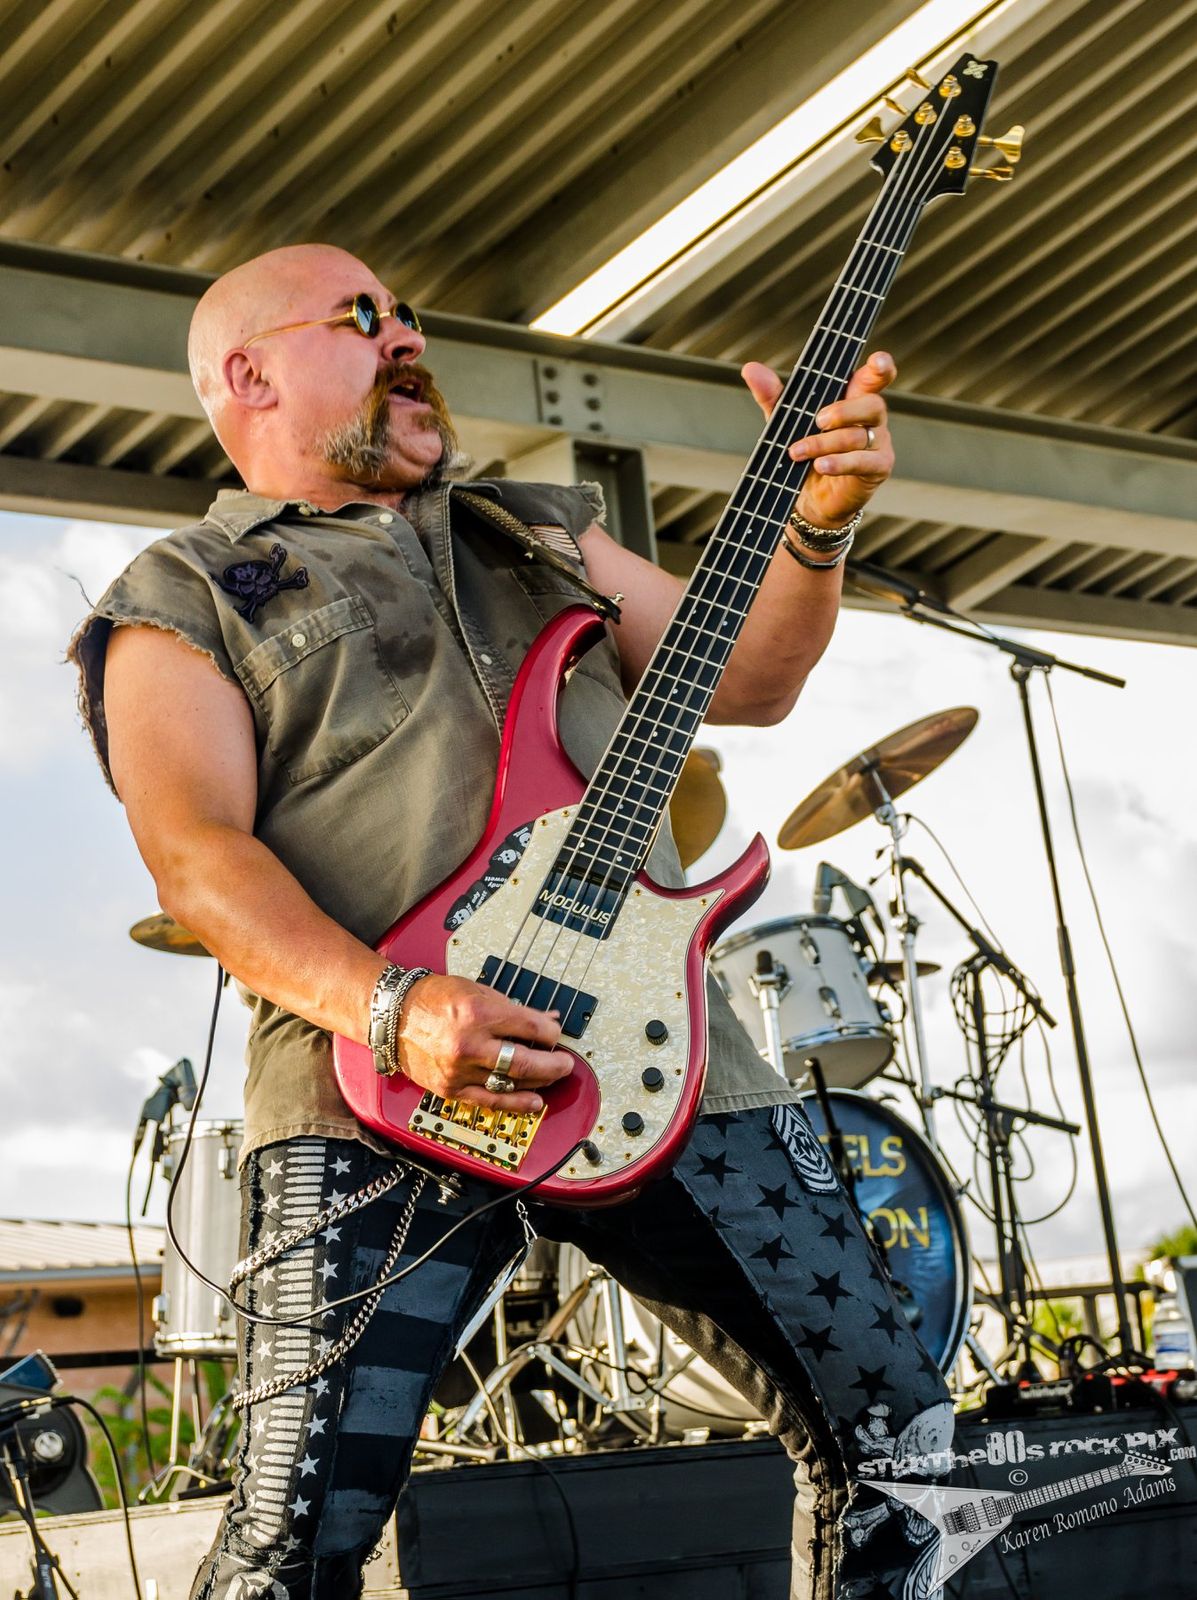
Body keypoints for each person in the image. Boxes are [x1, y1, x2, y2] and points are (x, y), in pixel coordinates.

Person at [70, 244, 954, 1600]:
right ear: (247, 374)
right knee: (293, 1541)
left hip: (670, 1059)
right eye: (363, 317)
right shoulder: (182, 591)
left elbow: (754, 678)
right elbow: (196, 857)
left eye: (411, 315)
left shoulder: (533, 527)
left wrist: (817, 527)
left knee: (908, 1442)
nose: (407, 338)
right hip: (370, 1083)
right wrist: (394, 1007)